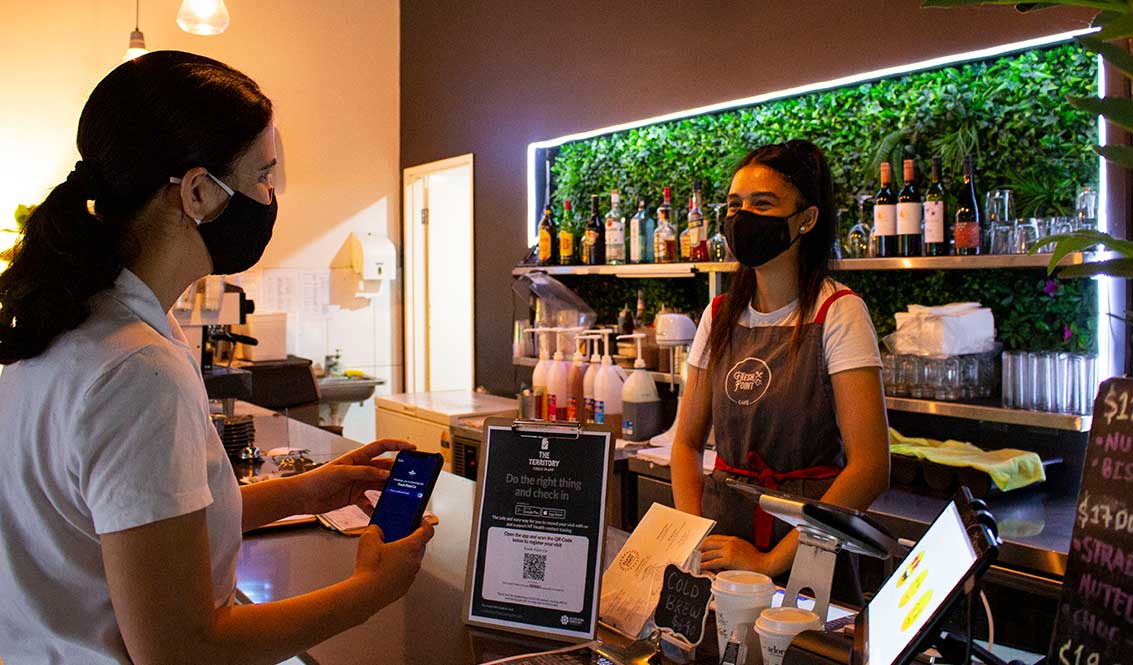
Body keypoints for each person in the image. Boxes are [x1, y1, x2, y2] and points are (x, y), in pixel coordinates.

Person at [0, 51, 434, 664]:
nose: (268, 196)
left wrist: (304, 493)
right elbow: (183, 650)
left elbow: (137, 523)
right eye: (262, 176)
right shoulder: (135, 372)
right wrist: (370, 591)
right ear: (200, 192)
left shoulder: (71, 326)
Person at [670, 140, 889, 592]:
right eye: (735, 205)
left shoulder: (839, 313)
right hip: (721, 545)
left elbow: (870, 467)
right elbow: (686, 443)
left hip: (808, 550)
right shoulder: (720, 314)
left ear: (806, 218)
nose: (742, 216)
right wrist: (692, 536)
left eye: (762, 204)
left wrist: (770, 560)